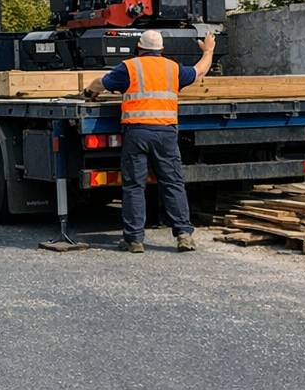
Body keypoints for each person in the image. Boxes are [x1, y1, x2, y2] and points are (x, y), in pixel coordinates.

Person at [85, 29, 216, 253]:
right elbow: (199, 71)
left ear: (139, 46)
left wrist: (89, 92)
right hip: (165, 132)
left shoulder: (129, 67)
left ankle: (134, 240)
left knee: (134, 185)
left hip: (137, 133)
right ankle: (183, 235)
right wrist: (209, 50)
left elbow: (101, 83)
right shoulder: (172, 68)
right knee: (172, 182)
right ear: (162, 49)